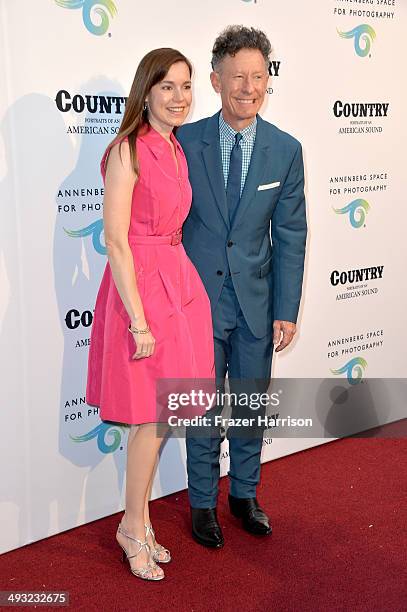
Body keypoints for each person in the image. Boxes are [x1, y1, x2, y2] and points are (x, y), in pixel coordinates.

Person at [86, 48, 215, 579]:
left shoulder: (175, 149)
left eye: (186, 87)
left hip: (177, 284)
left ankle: (137, 521)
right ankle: (131, 526)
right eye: (168, 87)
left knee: (162, 418)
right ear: (147, 90)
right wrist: (137, 320)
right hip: (138, 289)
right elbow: (115, 239)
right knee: (149, 418)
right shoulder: (127, 150)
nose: (179, 97)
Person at [177, 26, 307, 548]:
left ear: (268, 81)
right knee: (202, 410)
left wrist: (287, 307)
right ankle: (203, 502)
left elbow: (292, 233)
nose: (248, 87)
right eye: (237, 77)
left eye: (258, 76)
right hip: (196, 305)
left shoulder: (286, 150)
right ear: (215, 80)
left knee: (251, 405)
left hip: (257, 303)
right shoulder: (184, 142)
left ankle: (245, 494)